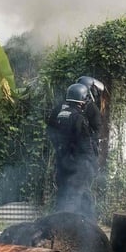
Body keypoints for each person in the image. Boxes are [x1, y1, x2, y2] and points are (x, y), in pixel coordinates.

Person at [47, 82, 99, 218]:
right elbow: (85, 145)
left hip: (62, 164)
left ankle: (57, 225)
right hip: (78, 166)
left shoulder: (58, 114)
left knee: (63, 195)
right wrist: (92, 163)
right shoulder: (78, 118)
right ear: (81, 100)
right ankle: (86, 227)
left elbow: (52, 135)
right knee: (81, 198)